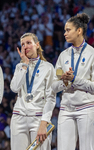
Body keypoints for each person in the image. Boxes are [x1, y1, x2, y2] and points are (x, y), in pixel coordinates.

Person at [51, 13, 94, 150]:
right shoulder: (63, 55)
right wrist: (64, 81)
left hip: (86, 108)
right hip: (66, 109)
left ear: (79, 31)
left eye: (68, 30)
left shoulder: (92, 54)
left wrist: (74, 79)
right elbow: (53, 86)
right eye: (64, 30)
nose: (64, 33)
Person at [10, 33, 56, 150]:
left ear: (37, 45)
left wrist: (44, 123)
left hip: (38, 118)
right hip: (18, 117)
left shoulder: (48, 67)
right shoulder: (19, 67)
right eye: (22, 44)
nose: (25, 46)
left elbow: (50, 98)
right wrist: (24, 64)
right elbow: (14, 88)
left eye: (29, 43)